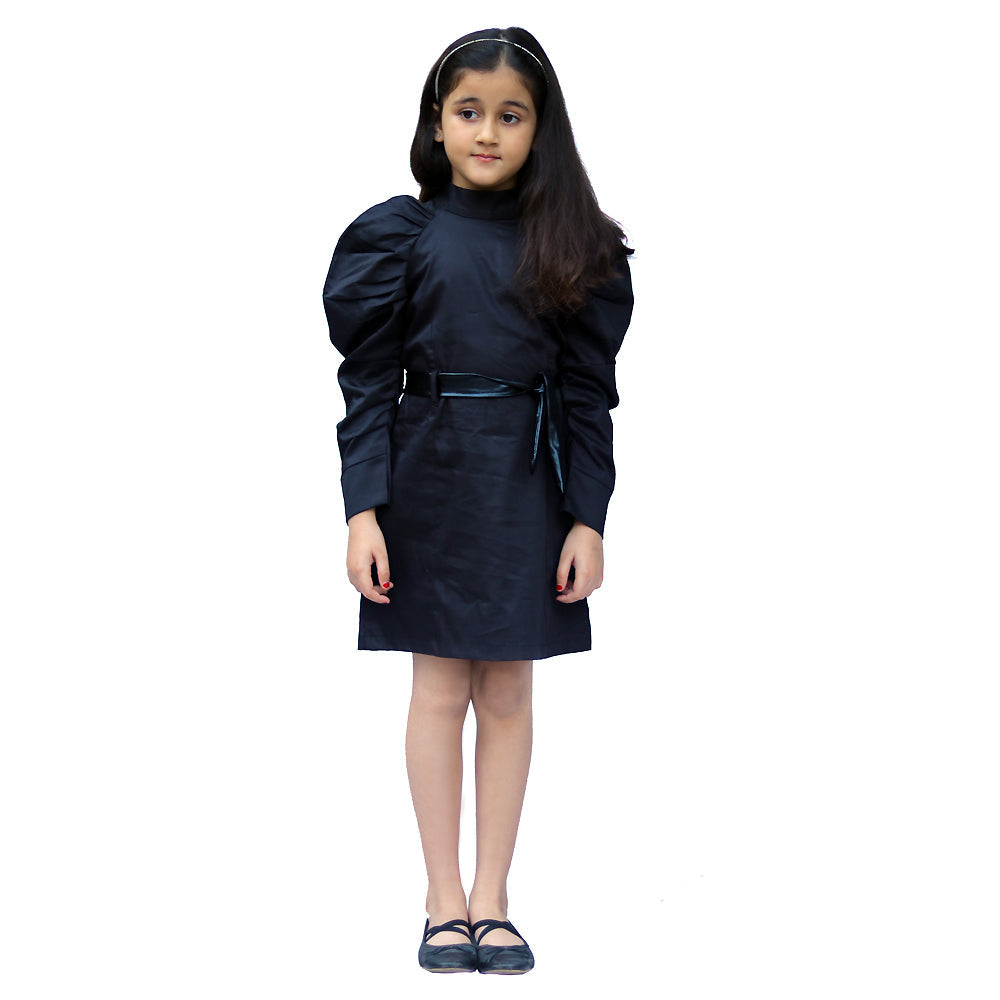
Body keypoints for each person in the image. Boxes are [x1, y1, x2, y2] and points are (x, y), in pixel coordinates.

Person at [322, 26, 634, 975]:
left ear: (542, 129)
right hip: (428, 475)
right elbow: (367, 381)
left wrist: (588, 517)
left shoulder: (572, 246)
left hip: (526, 482)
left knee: (506, 687)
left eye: (511, 115)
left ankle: (493, 899)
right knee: (438, 686)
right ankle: (441, 899)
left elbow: (587, 394)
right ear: (436, 121)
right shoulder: (399, 238)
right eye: (469, 112)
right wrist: (363, 507)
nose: (488, 132)